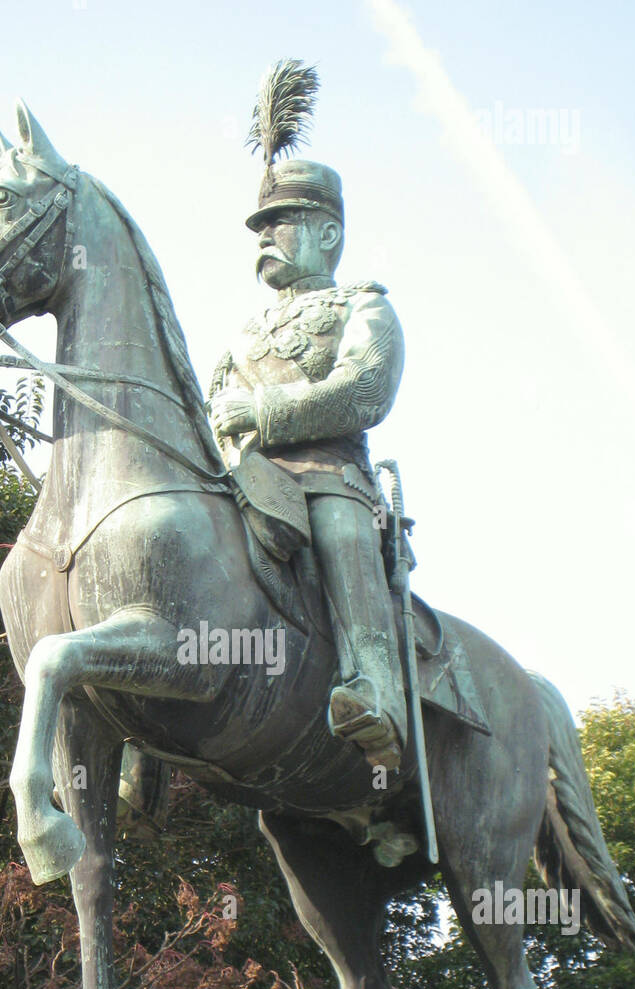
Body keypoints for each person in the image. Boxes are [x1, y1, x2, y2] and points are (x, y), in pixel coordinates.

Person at [210, 156, 407, 773]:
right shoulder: (243, 333)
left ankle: (377, 690)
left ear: (329, 233)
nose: (264, 237)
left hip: (330, 480)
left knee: (343, 532)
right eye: (259, 227)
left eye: (282, 221)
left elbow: (365, 390)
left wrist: (260, 409)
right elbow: (210, 408)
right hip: (247, 480)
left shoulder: (365, 307)